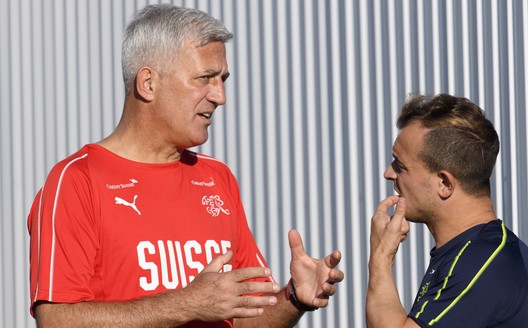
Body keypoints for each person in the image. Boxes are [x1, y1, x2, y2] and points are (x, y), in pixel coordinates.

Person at [27, 4, 343, 327]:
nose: (220, 96)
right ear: (147, 83)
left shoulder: (217, 178)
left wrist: (293, 298)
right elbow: (55, 320)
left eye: (223, 79)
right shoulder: (77, 180)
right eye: (205, 78)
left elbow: (249, 318)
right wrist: (186, 304)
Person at [366, 94, 528, 328]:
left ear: (444, 184)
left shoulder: (480, 263)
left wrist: (381, 257)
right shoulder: (482, 251)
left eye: (401, 165)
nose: (388, 173)